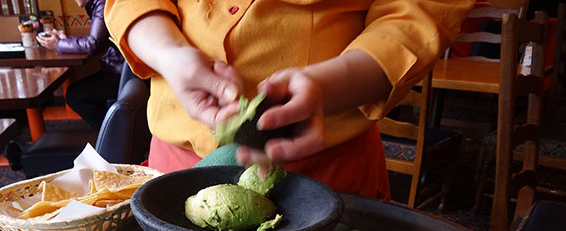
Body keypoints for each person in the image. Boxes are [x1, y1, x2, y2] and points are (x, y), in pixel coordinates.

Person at [104, 1, 474, 197]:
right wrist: (170, 54)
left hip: (322, 179)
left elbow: (415, 17)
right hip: (174, 167)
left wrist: (328, 87)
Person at [37, 0, 125, 131]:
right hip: (123, 70)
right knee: (79, 94)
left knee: (74, 95)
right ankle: (118, 132)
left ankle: (116, 134)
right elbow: (97, 40)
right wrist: (64, 42)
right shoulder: (100, 4)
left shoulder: (102, 4)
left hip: (123, 74)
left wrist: (58, 44)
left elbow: (93, 44)